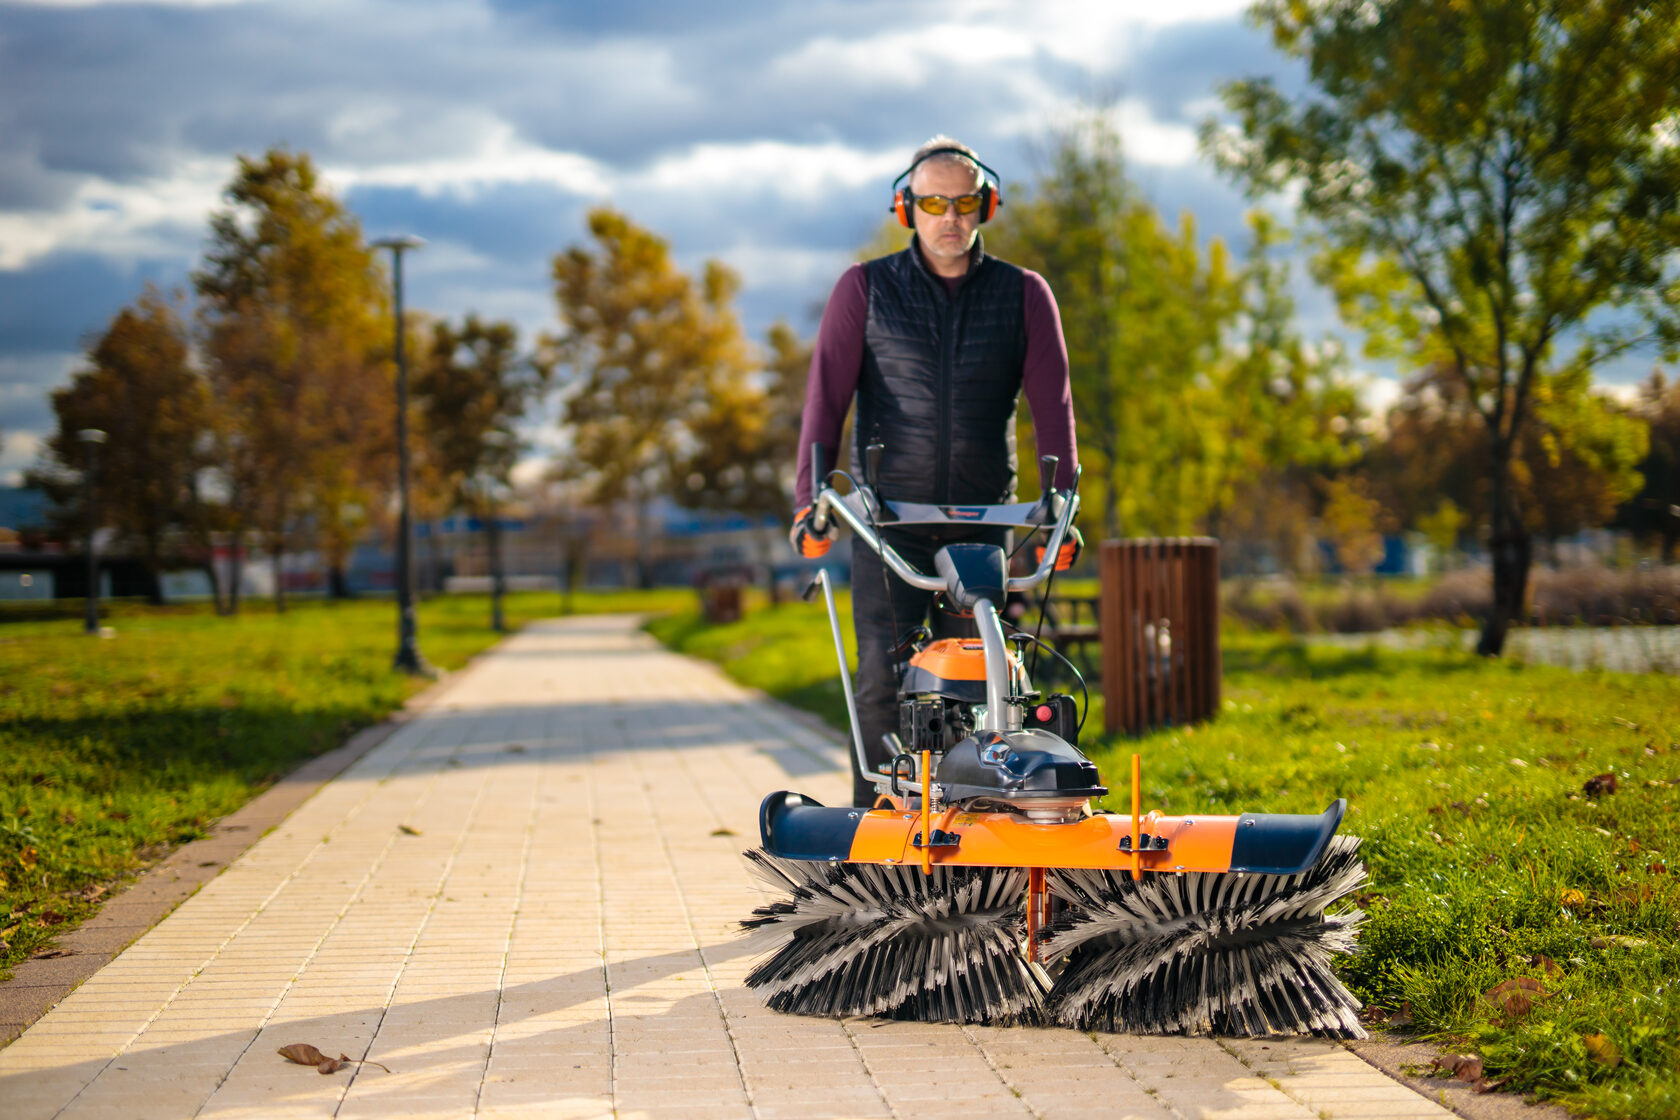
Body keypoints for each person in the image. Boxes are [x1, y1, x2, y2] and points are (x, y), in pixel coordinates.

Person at [788, 135, 1080, 807]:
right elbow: (825, 400)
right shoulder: (864, 290)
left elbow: (1053, 408)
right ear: (906, 209)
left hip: (984, 526)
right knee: (881, 684)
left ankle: (973, 830)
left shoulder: (1025, 295)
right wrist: (811, 502)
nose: (950, 216)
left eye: (965, 201)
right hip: (889, 522)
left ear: (987, 205)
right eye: (933, 202)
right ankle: (874, 831)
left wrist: (1060, 511)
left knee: (983, 683)